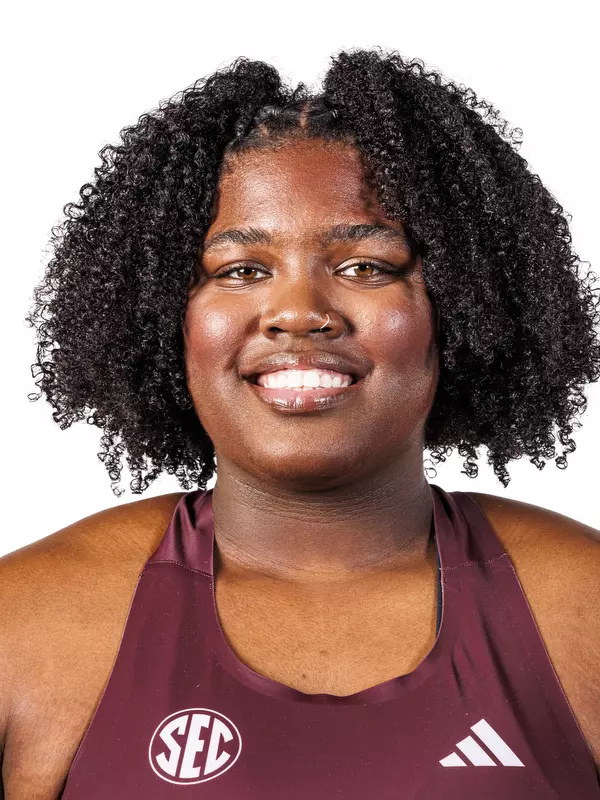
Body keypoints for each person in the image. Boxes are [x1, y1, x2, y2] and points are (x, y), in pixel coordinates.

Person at [1, 48, 599, 798]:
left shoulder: (584, 609)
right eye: (241, 271)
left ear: (463, 308)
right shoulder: (24, 624)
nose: (297, 312)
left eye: (365, 267)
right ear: (165, 318)